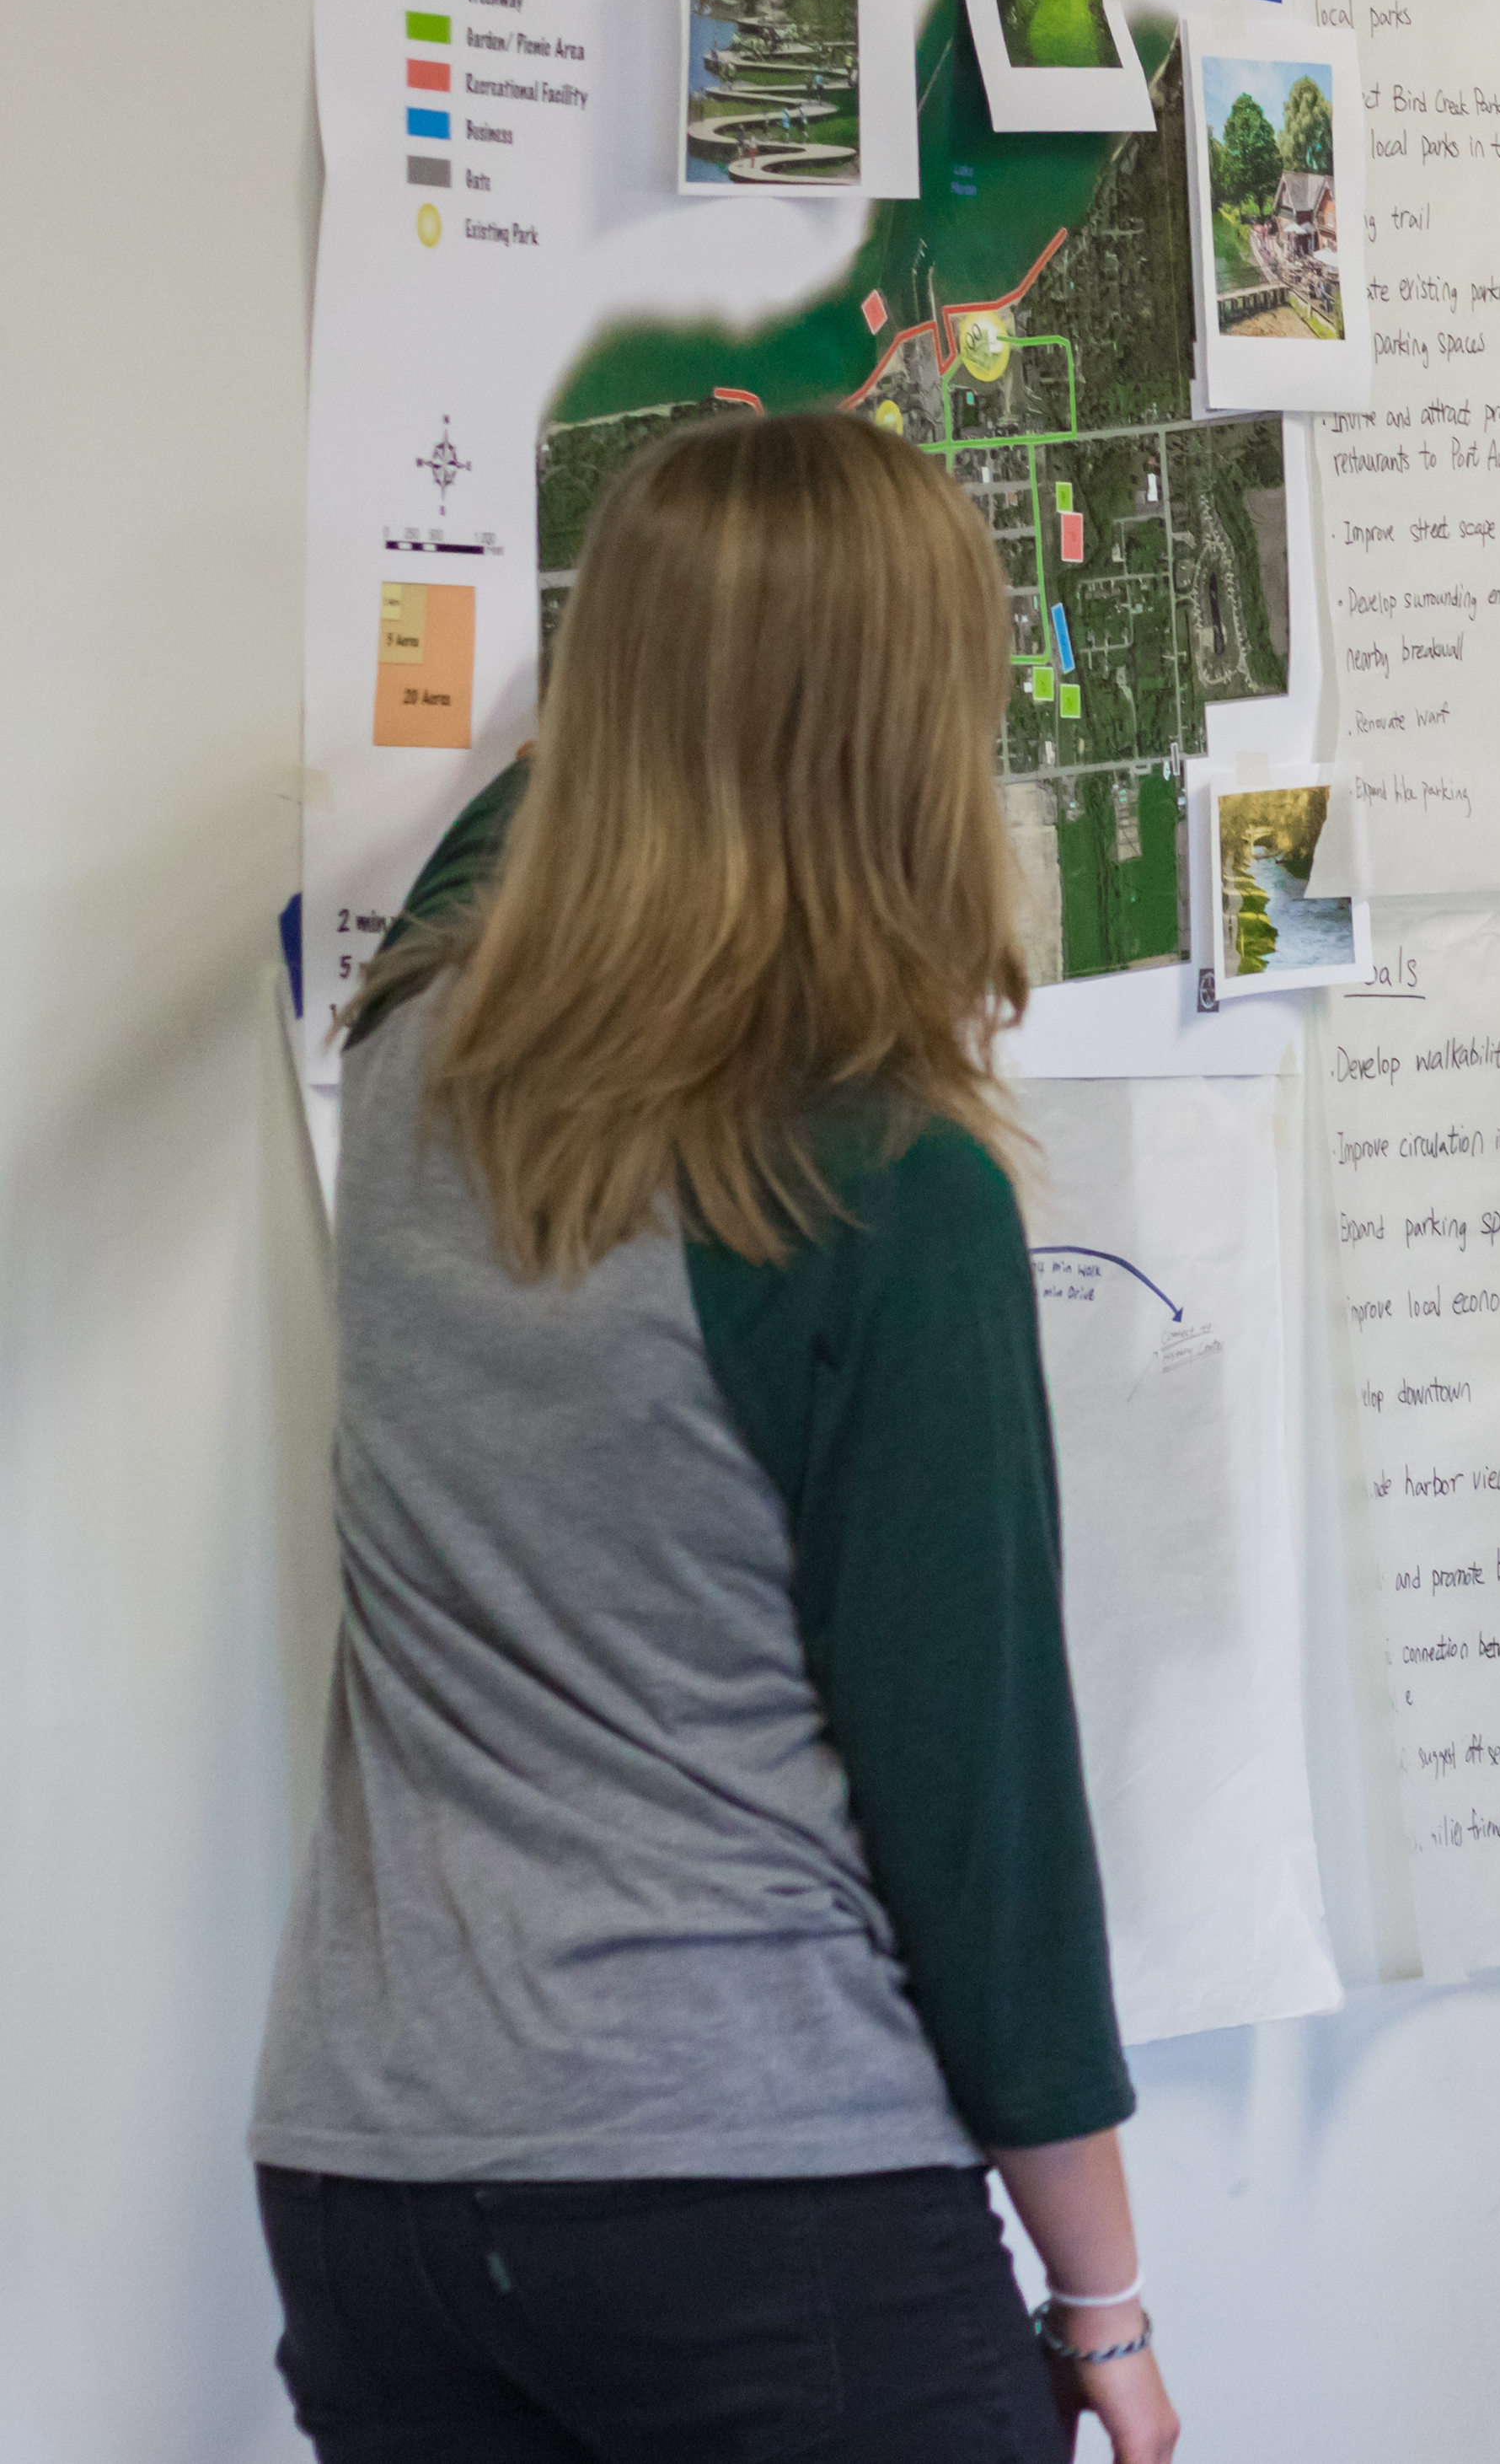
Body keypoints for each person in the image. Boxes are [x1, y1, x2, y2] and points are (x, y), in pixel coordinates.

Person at [250, 413, 1179, 2464]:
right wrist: (1102, 2305)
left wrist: (685, 578)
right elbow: (978, 1800)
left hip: (369, 2186)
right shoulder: (875, 1181)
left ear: (607, 704)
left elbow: (523, 830)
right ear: (913, 738)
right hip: (753, 2196)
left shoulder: (414, 1053)